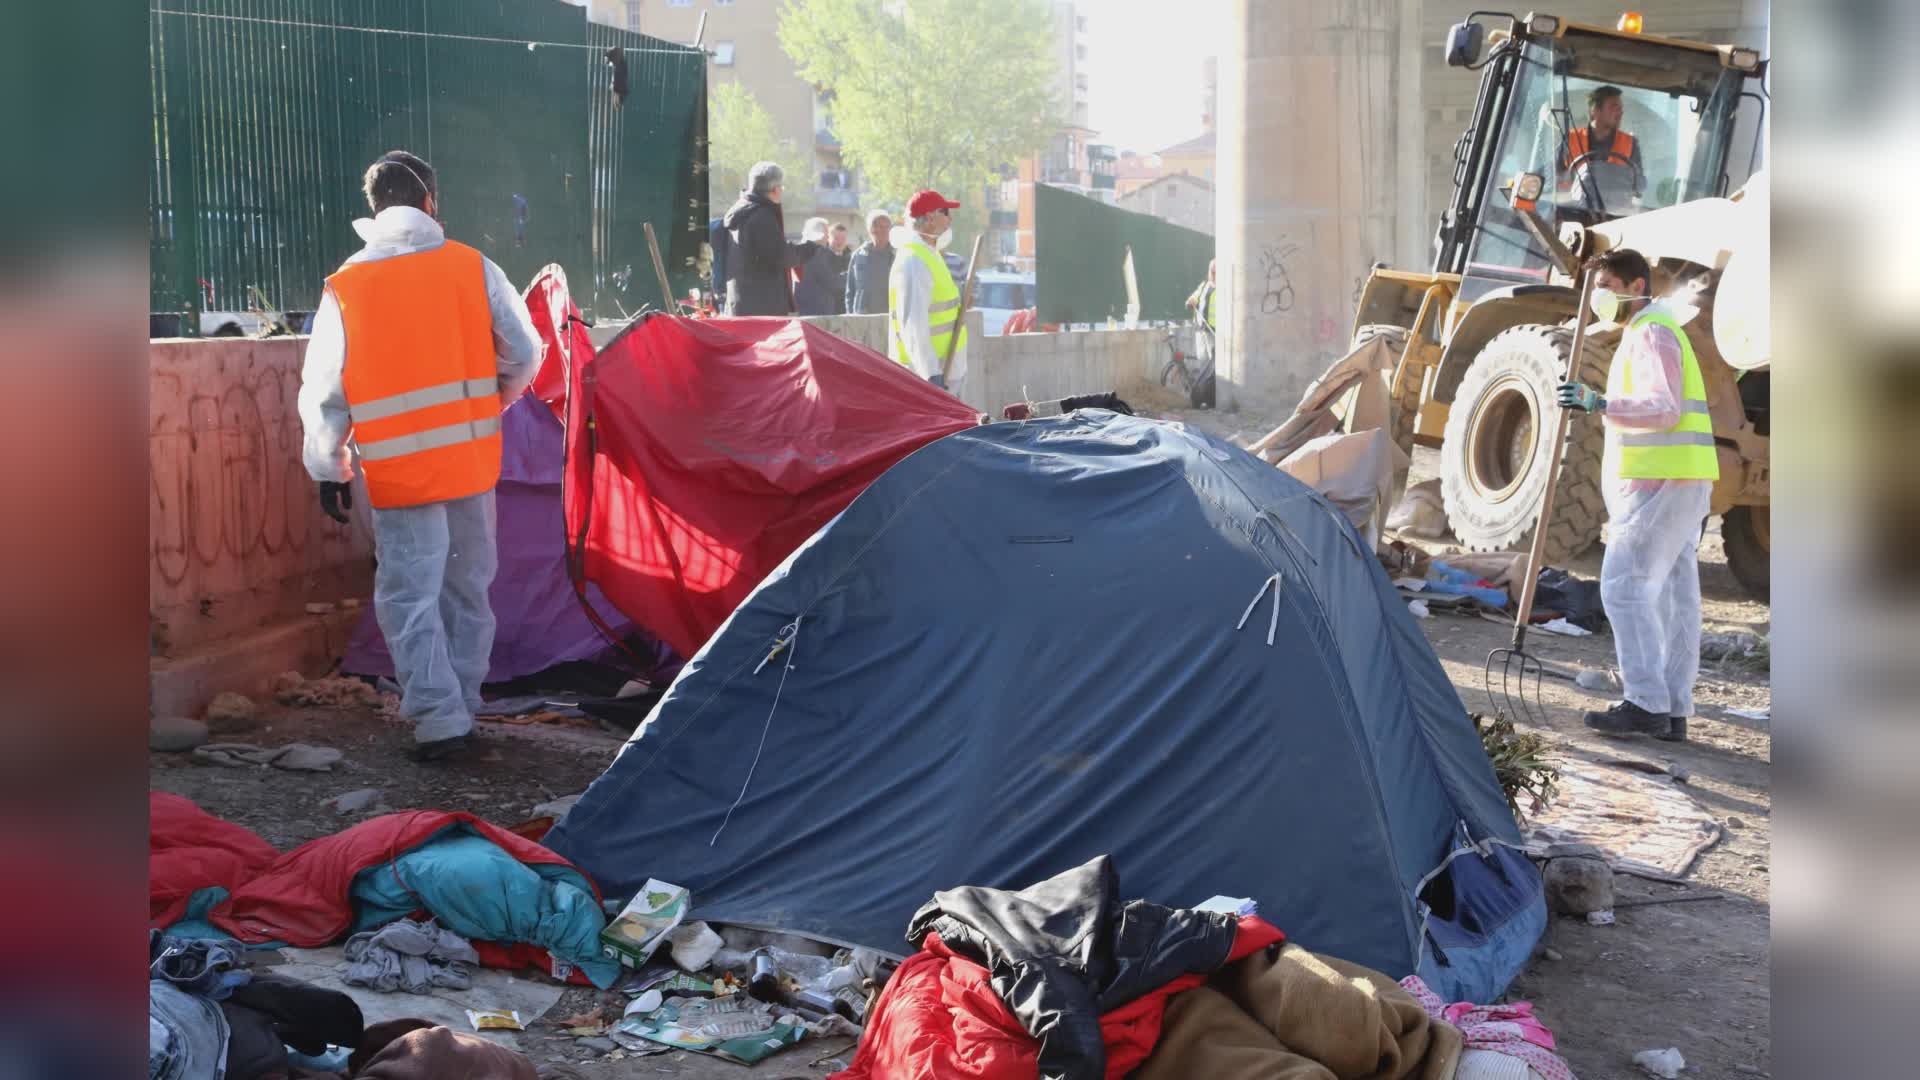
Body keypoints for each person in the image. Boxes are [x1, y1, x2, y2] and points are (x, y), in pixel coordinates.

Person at [297, 150, 541, 761]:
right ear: (431, 200)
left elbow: (325, 388)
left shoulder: (347, 285)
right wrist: (492, 400)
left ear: (374, 208)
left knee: (410, 594)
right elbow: (525, 352)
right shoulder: (472, 267)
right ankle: (461, 704)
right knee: (467, 590)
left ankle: (440, 721)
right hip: (467, 462)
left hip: (399, 472)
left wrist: (329, 465)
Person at [1556, 248, 1717, 742]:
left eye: (1605, 284)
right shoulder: (1654, 329)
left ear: (1634, 285)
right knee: (1672, 597)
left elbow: (1663, 408)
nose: (1599, 296)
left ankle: (1645, 703)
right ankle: (1671, 709)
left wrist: (1598, 402)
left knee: (1624, 588)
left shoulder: (1651, 331)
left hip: (1661, 482)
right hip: (1680, 477)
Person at [887, 190, 968, 395]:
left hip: (945, 369)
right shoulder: (914, 260)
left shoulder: (929, 253)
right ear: (930, 218)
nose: (951, 218)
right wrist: (931, 373)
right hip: (930, 374)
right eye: (946, 212)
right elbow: (913, 324)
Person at [721, 162, 819, 315]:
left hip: (741, 303)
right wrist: (811, 246)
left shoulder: (740, 211)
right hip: (762, 307)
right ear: (775, 190)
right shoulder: (762, 217)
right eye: (782, 187)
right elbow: (781, 256)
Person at [1557, 85, 1644, 217]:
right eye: (1614, 107)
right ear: (1595, 111)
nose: (1620, 112)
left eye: (1621, 108)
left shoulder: (1631, 143)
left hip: (1615, 216)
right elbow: (1553, 178)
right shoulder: (1571, 139)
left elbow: (1640, 184)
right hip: (1571, 213)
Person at [1182, 259, 1219, 408]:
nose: (1214, 273)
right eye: (1212, 271)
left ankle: (1210, 398)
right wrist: (1190, 301)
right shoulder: (1204, 286)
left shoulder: (1224, 288)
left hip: (1215, 332)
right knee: (1203, 363)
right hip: (1201, 330)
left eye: (1216, 271)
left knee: (1213, 366)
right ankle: (1202, 396)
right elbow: (1193, 298)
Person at [845, 209, 896, 316]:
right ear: (871, 229)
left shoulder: (897, 255)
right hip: (862, 317)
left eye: (888, 227)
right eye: (881, 227)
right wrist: (851, 315)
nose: (885, 231)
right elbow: (850, 290)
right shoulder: (859, 255)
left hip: (890, 316)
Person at [792, 216, 843, 317]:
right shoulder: (816, 254)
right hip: (818, 313)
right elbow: (831, 283)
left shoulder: (798, 251)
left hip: (802, 310)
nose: (828, 237)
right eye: (826, 234)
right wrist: (850, 275)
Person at [827, 223, 853, 314]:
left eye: (843, 239)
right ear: (828, 238)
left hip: (845, 308)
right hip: (828, 309)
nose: (840, 242)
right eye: (836, 238)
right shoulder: (822, 258)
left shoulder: (852, 258)